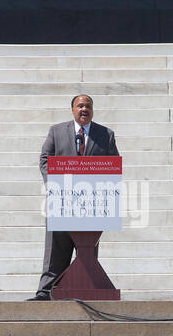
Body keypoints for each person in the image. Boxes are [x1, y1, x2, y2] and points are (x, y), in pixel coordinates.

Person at [30, 94, 119, 300]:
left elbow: (114, 164)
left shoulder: (106, 135)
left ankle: (87, 288)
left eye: (88, 106)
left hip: (92, 204)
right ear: (72, 109)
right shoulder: (57, 131)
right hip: (61, 200)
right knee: (55, 249)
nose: (84, 109)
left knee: (87, 248)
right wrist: (54, 184)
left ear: (93, 110)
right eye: (80, 106)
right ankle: (46, 292)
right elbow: (45, 159)